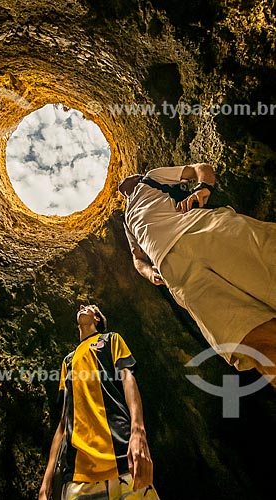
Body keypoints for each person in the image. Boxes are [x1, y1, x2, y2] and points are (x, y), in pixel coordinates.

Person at [118, 163, 276, 385]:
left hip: (200, 228)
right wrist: (150, 273)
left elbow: (199, 167)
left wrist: (203, 188)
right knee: (246, 336)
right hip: (175, 272)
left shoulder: (150, 178)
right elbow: (137, 258)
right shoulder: (126, 219)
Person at [38, 304, 160, 500]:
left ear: (97, 318)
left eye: (89, 307)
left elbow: (128, 379)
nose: (81, 306)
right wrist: (45, 484)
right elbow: (63, 423)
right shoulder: (67, 362)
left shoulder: (111, 340)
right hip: (78, 476)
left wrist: (138, 431)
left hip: (123, 461)